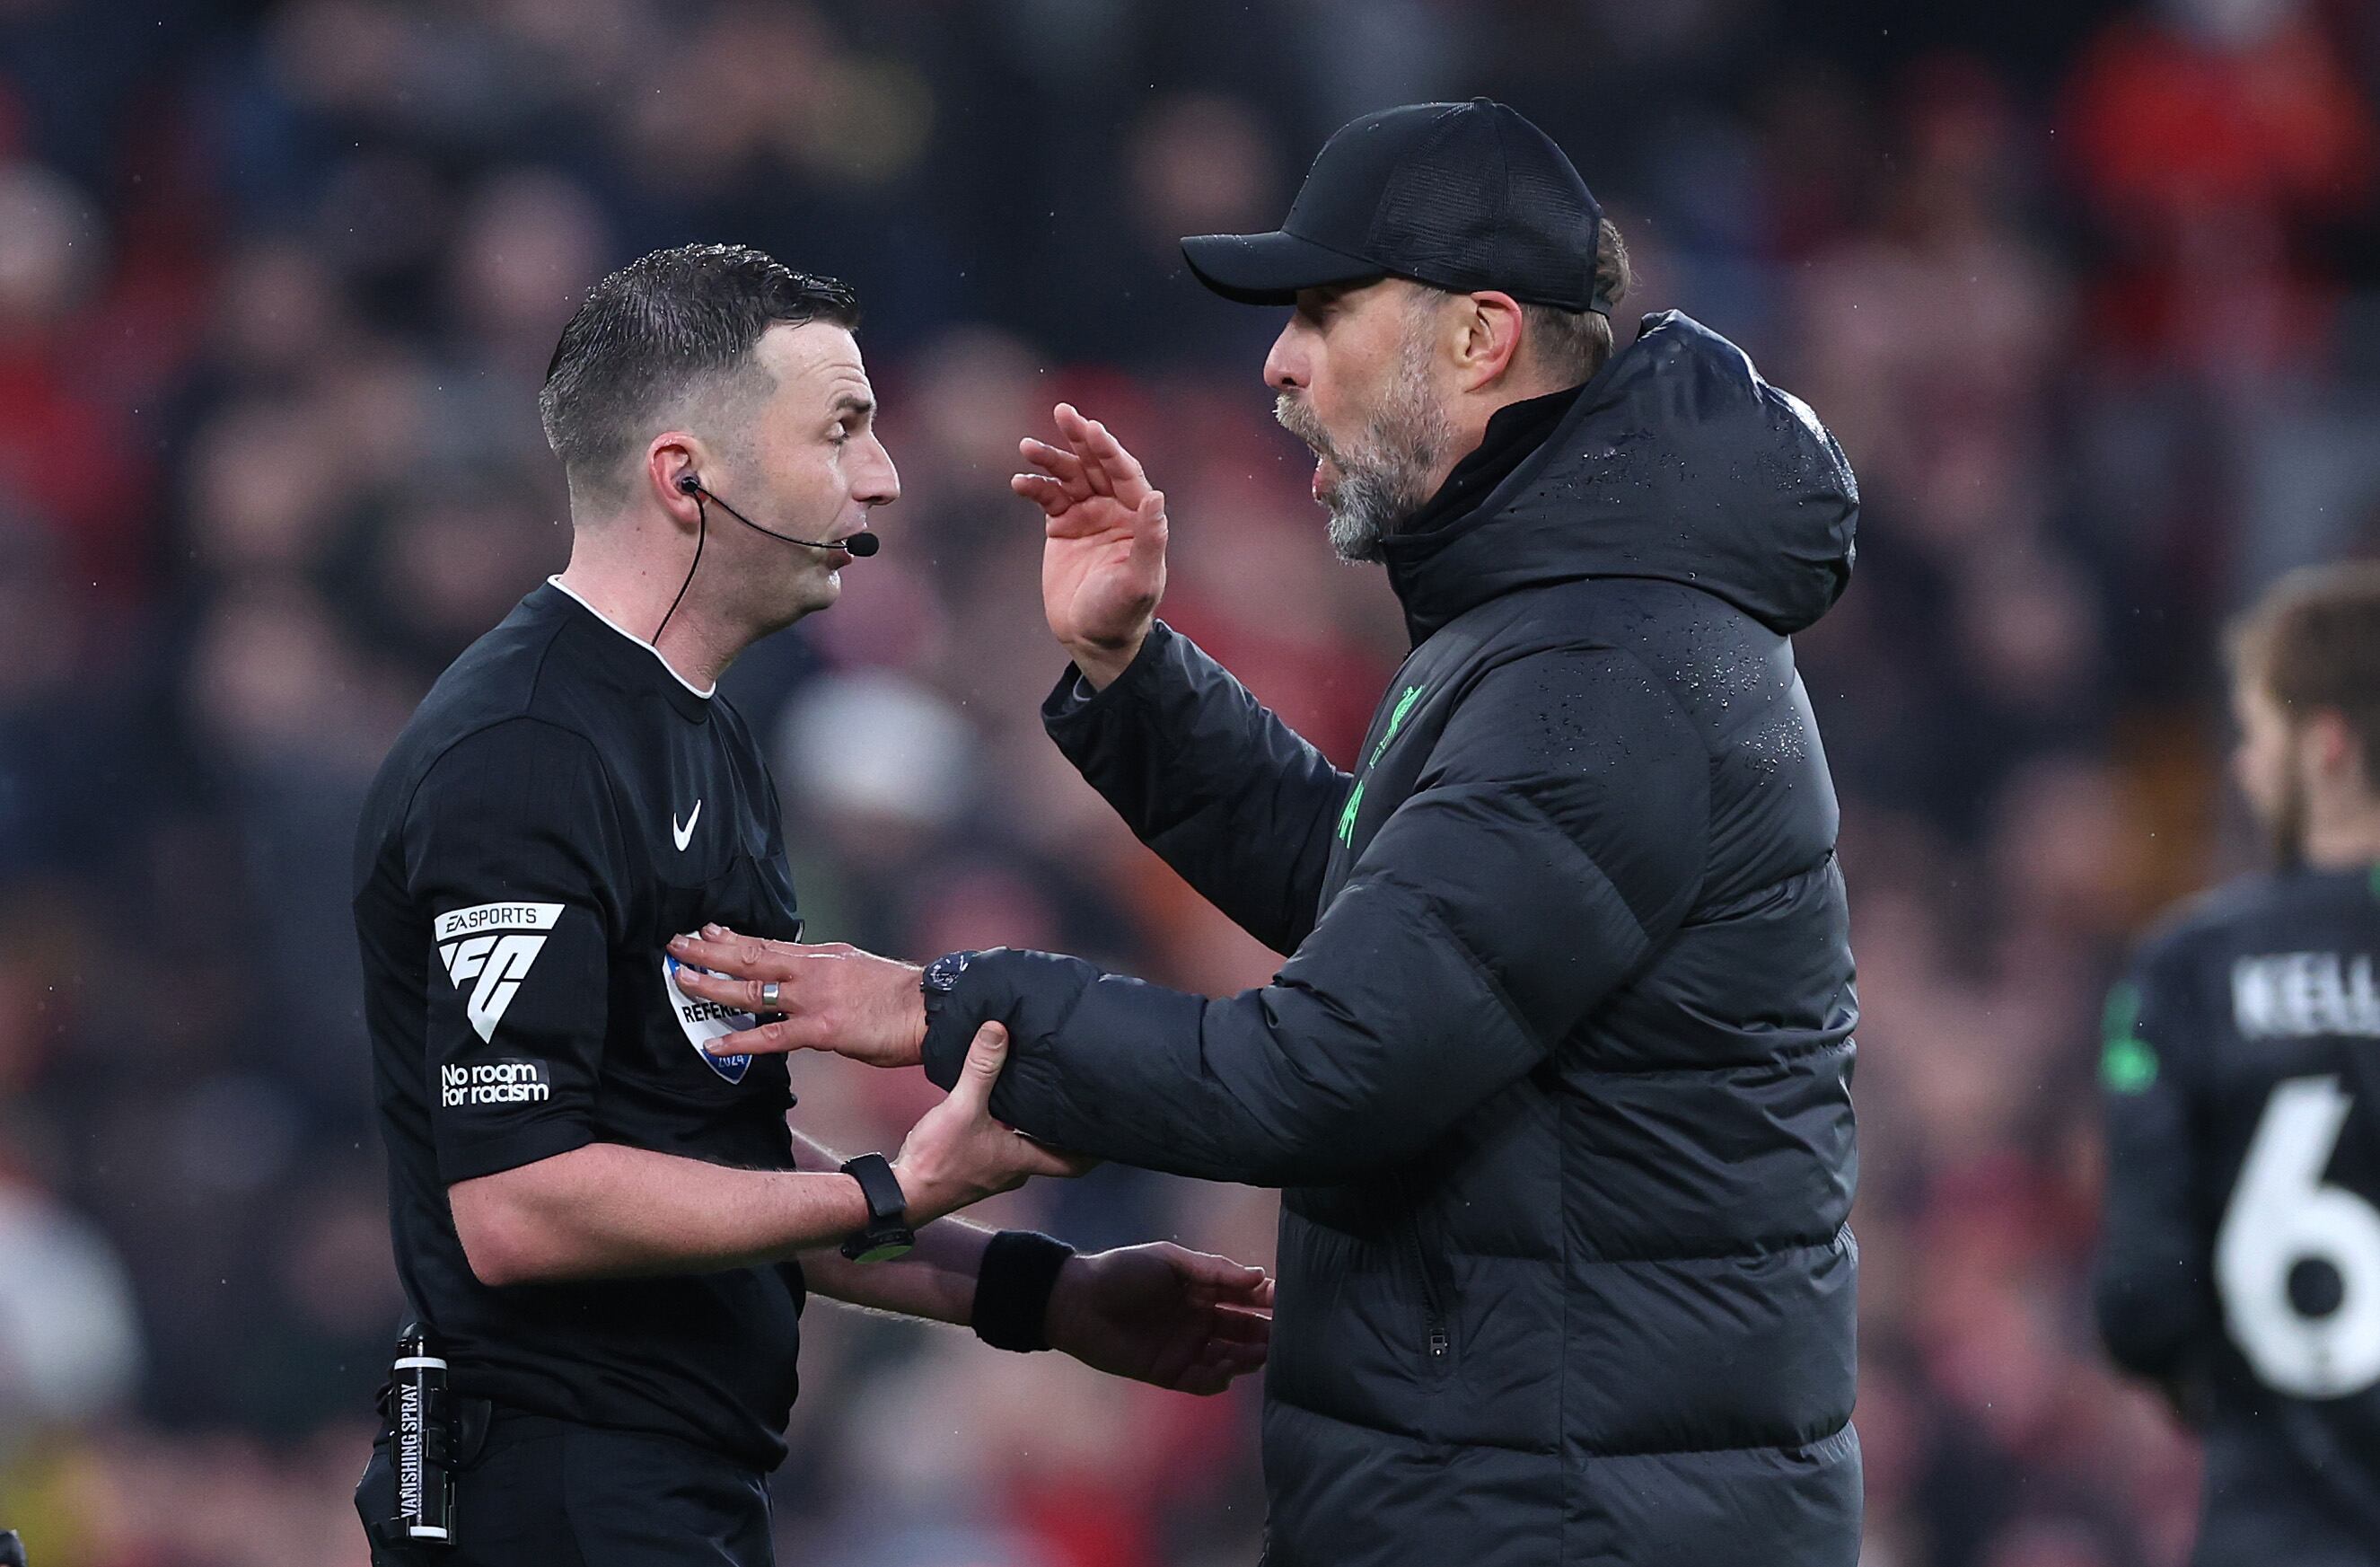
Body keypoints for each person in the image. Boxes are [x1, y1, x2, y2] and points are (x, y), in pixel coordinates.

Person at [670, 101, 1864, 1565]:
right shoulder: (1570, 622)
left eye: (1322, 311)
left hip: (1564, 1518)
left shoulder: (1601, 670)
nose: (1279, 365)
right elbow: (1397, 920)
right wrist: (1134, 676)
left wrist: (940, 1004)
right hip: (1540, 1490)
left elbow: (1330, 1068)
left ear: (1479, 339)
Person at [348, 243, 1271, 1567]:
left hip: (665, 1488)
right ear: (685, 476)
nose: (882, 475)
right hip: (541, 1496)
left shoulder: (705, 739)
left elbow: (715, 1178)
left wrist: (1043, 1291)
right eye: (841, 429)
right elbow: (522, 1204)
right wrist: (892, 1185)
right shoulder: (524, 756)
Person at [2095, 563, 2380, 1565]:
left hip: (2277, 1523)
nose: (2244, 770)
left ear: (2327, 745)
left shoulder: (2188, 968)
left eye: (2257, 736)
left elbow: (2139, 1300)